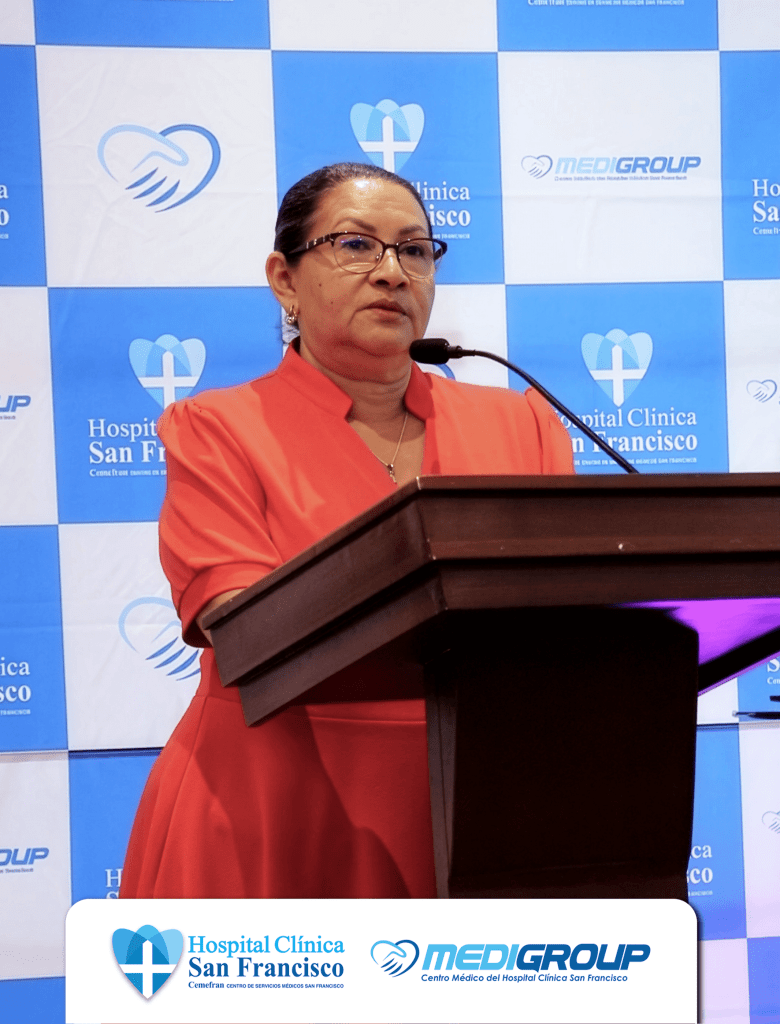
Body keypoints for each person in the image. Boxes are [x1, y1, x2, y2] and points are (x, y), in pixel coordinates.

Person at [120, 162, 573, 899]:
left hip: (480, 799)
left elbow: (573, 612)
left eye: (415, 250)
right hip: (278, 797)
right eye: (356, 245)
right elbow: (237, 622)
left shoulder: (520, 424)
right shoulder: (218, 429)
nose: (393, 272)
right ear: (285, 279)